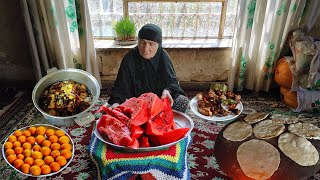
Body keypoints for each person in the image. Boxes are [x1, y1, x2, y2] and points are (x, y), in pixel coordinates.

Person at [108, 23, 189, 112]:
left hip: (159, 99)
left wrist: (167, 91)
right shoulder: (129, 58)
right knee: (112, 110)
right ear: (138, 42)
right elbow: (120, 86)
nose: (146, 48)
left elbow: (172, 81)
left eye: (151, 44)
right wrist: (116, 102)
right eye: (143, 43)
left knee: (183, 102)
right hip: (136, 101)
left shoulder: (163, 56)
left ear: (158, 45)